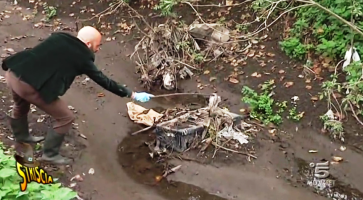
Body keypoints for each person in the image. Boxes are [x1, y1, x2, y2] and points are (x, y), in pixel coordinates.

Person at [1, 26, 154, 165]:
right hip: (29, 85)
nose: (98, 49)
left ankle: (21, 137)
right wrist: (132, 94)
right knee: (66, 117)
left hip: (14, 72)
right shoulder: (83, 57)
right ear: (88, 44)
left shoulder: (59, 36)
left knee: (20, 104)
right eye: (97, 45)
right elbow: (104, 81)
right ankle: (50, 154)